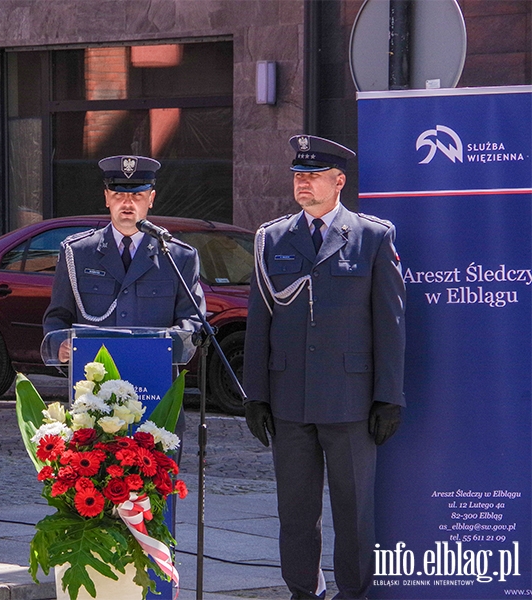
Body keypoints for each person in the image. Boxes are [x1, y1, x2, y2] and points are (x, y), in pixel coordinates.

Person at [243, 135, 406, 599]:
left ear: (339, 182)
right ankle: (302, 591)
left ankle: (353, 592)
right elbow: (259, 324)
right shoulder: (271, 238)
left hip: (351, 401)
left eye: (313, 176)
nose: (303, 183)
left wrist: (389, 396)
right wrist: (256, 394)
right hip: (290, 399)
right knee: (295, 512)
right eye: (298, 175)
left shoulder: (373, 237)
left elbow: (390, 324)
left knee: (354, 511)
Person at [43, 155, 205, 353]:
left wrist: (165, 347)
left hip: (153, 372)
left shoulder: (179, 257)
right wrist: (59, 345)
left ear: (151, 199)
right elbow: (58, 317)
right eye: (118, 195)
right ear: (107, 198)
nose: (127, 204)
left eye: (137, 196)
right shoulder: (77, 253)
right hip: (94, 375)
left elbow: (192, 320)